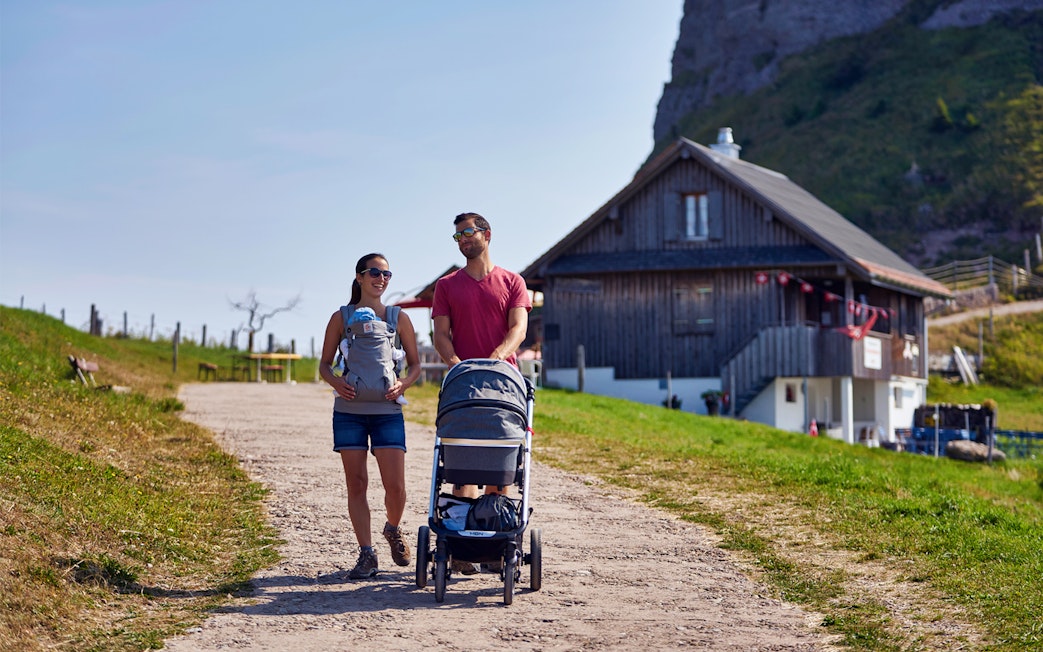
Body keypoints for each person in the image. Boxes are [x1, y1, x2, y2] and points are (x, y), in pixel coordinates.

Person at [432, 213, 532, 574]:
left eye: (468, 233)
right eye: (457, 235)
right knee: (462, 470)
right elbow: (441, 334)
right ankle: (461, 547)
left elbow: (518, 328)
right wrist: (458, 364)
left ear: (487, 235)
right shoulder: (447, 286)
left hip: (504, 387)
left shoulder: (512, 281)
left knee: (500, 469)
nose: (462, 239)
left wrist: (495, 360)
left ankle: (495, 541)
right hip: (464, 386)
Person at [319, 253, 422, 580]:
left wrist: (403, 384)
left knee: (396, 487)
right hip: (348, 412)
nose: (381, 279)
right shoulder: (341, 317)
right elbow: (324, 364)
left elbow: (416, 365)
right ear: (360, 277)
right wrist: (337, 382)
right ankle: (367, 554)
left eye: (387, 274)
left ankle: (392, 528)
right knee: (357, 484)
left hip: (388, 411)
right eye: (375, 273)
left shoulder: (398, 318)